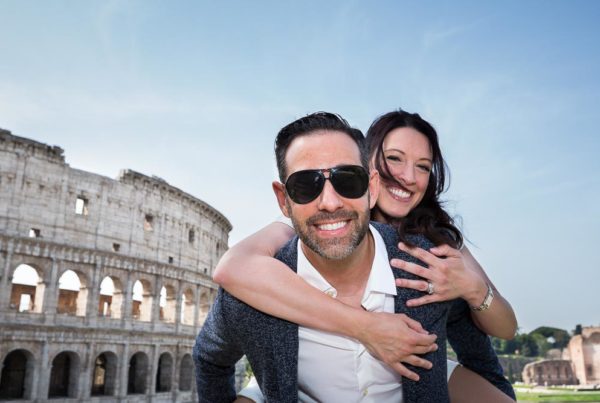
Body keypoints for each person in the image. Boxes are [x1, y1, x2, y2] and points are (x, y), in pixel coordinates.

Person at [213, 110, 517, 402]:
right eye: (395, 159)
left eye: (423, 166)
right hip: (307, 362)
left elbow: (505, 328)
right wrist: (366, 327)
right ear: (368, 165)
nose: (408, 177)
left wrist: (472, 287)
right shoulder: (322, 218)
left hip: (416, 360)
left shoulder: (436, 240)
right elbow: (234, 268)